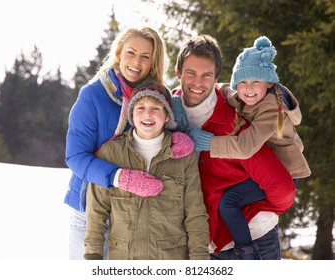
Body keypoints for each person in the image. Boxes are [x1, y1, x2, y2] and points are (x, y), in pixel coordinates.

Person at [172, 34, 296, 260]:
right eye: (190, 73)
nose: (198, 82)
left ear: (216, 77)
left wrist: (257, 211)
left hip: (252, 237)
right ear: (178, 72)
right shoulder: (164, 113)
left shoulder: (234, 123)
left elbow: (283, 190)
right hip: (200, 243)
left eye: (206, 75)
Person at [65, 27, 172, 260]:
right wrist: (119, 177)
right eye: (131, 53)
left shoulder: (156, 97)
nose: (136, 62)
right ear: (119, 53)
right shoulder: (93, 96)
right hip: (89, 211)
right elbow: (75, 157)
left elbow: (166, 128)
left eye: (146, 56)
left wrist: (177, 140)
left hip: (132, 214)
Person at [84, 81, 209, 260]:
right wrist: (92, 254)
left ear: (167, 116)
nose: (148, 114)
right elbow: (96, 210)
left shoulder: (184, 157)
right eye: (140, 107)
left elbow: (195, 212)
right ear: (131, 115)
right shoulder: (110, 152)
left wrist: (200, 258)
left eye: (156, 108)